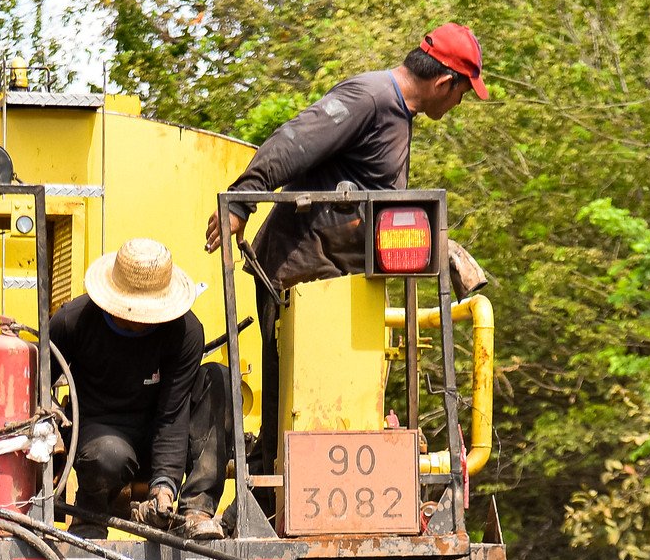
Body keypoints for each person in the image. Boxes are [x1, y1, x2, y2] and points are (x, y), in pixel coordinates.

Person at [203, 24, 488, 468]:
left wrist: (440, 243)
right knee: (293, 413)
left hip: (338, 284)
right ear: (445, 82)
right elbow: (294, 139)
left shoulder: (396, 113)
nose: (457, 104)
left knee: (327, 414)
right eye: (462, 94)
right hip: (299, 278)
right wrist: (243, 199)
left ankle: (276, 499)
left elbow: (374, 199)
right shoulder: (370, 97)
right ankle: (264, 501)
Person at [49, 237, 230, 540]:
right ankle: (92, 507)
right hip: (103, 434)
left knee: (219, 378)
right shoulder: (73, 322)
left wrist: (164, 485)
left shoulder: (186, 333)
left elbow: (171, 414)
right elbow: (36, 390)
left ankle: (196, 508)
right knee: (108, 455)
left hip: (165, 431)